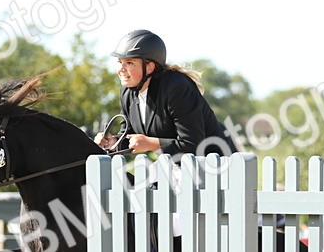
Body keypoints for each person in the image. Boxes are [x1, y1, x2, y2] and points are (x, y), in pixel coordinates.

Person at [96, 29, 239, 160]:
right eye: (120, 62)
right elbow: (131, 136)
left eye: (129, 63)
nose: (121, 69)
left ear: (150, 67)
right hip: (175, 168)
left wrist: (152, 143)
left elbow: (192, 144)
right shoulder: (127, 92)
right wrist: (114, 141)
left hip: (216, 164)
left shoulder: (176, 86)